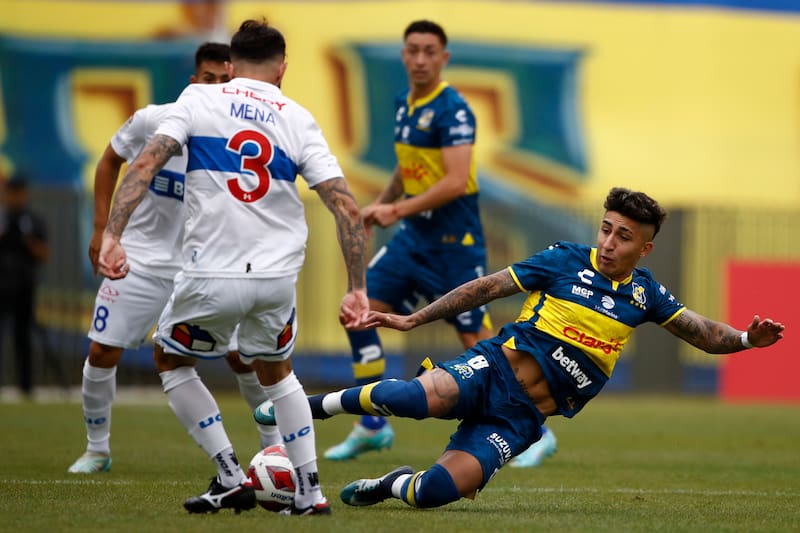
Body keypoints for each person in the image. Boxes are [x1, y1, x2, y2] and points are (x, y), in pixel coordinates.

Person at [269, 187, 784, 510]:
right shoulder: (563, 261)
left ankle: (390, 483)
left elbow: (700, 332)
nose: (608, 243)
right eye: (605, 229)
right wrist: (413, 319)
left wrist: (744, 339)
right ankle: (307, 408)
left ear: (644, 249)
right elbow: (486, 288)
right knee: (407, 399)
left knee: (433, 495)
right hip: (491, 369)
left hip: (519, 421)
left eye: (623, 237)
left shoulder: (645, 294)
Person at [98, 19, 369, 515]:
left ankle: (228, 474)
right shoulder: (298, 117)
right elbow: (348, 209)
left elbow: (144, 165)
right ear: (282, 68)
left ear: (230, 65)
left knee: (171, 359)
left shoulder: (197, 100)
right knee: (278, 373)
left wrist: (113, 235)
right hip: (276, 279)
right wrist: (357, 289)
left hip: (212, 272)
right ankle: (310, 493)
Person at [320, 19, 556, 467]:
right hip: (413, 241)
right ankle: (372, 426)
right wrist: (383, 203)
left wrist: (396, 211)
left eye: (431, 51)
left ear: (444, 58)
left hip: (453, 245)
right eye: (414, 50)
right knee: (359, 311)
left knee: (477, 341)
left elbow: (452, 181)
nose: (422, 58)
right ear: (404, 55)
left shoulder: (454, 110)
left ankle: (533, 429)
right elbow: (407, 167)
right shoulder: (404, 103)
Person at [66, 42, 281, 475]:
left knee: (242, 357)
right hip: (141, 260)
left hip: (204, 265)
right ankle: (97, 448)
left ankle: (273, 447)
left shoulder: (236, 136)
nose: (216, 87)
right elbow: (110, 161)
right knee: (102, 352)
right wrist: (102, 228)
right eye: (208, 78)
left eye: (225, 80)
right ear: (193, 80)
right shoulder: (154, 119)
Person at [0, 173, 49, 398]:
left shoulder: (33, 220)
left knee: (23, 335)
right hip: (2, 283)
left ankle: (26, 386)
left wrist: (27, 239)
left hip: (25, 285)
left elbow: (44, 254)